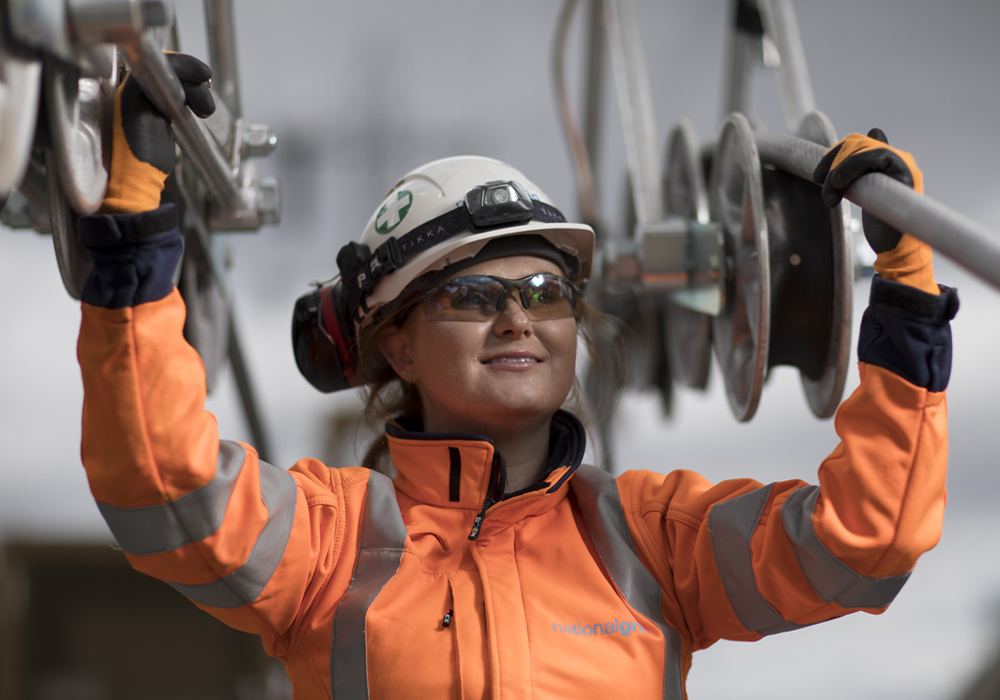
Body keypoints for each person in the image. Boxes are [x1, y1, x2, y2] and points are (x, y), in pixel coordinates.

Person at [76, 56, 957, 699]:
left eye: (545, 291)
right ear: (398, 346)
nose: (518, 318)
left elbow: (865, 546)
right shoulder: (331, 543)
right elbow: (165, 490)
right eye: (471, 294)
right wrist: (131, 239)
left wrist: (908, 303)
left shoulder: (653, 540)